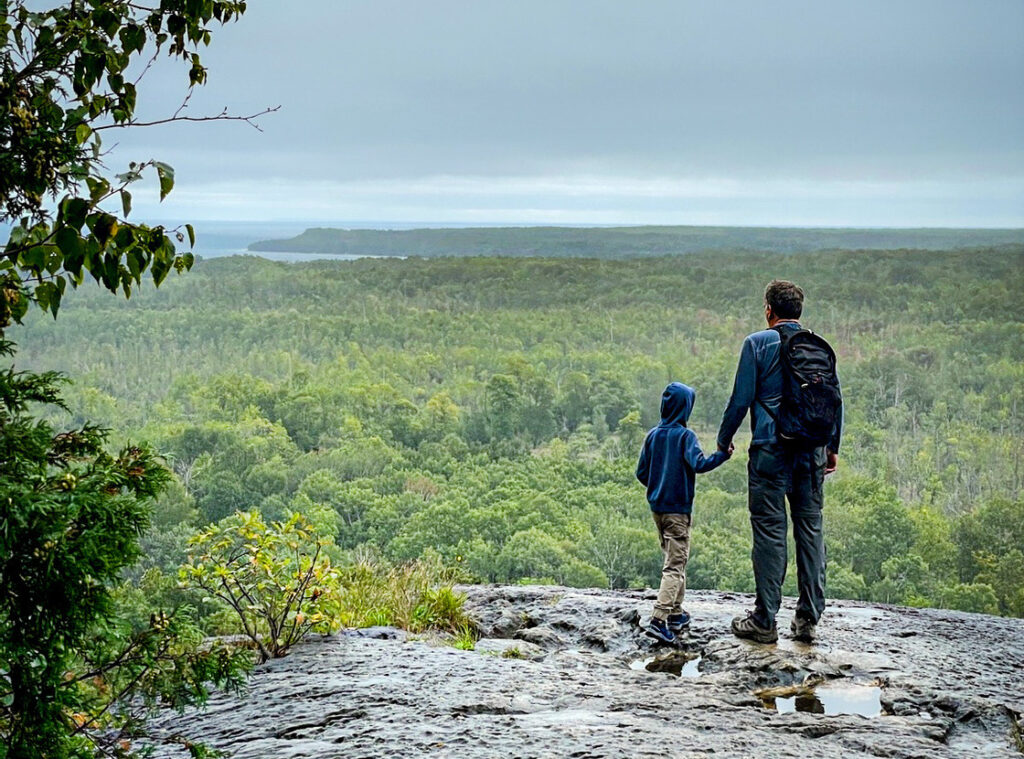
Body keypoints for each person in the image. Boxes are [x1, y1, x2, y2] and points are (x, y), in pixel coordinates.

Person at [716, 280, 842, 644]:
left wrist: (724, 441)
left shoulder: (757, 344)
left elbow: (740, 400)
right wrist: (831, 447)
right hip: (812, 453)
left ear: (769, 310)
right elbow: (834, 400)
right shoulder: (817, 347)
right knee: (810, 530)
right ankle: (807, 619)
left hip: (771, 452)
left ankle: (765, 620)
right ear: (798, 312)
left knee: (770, 533)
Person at [637, 382, 732, 644]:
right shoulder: (685, 437)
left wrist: (659, 487)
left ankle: (676, 612)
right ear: (685, 407)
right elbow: (699, 463)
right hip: (678, 510)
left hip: (658, 509)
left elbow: (641, 473)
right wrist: (722, 455)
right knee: (675, 565)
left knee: (674, 558)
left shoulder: (653, 435)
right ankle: (659, 618)